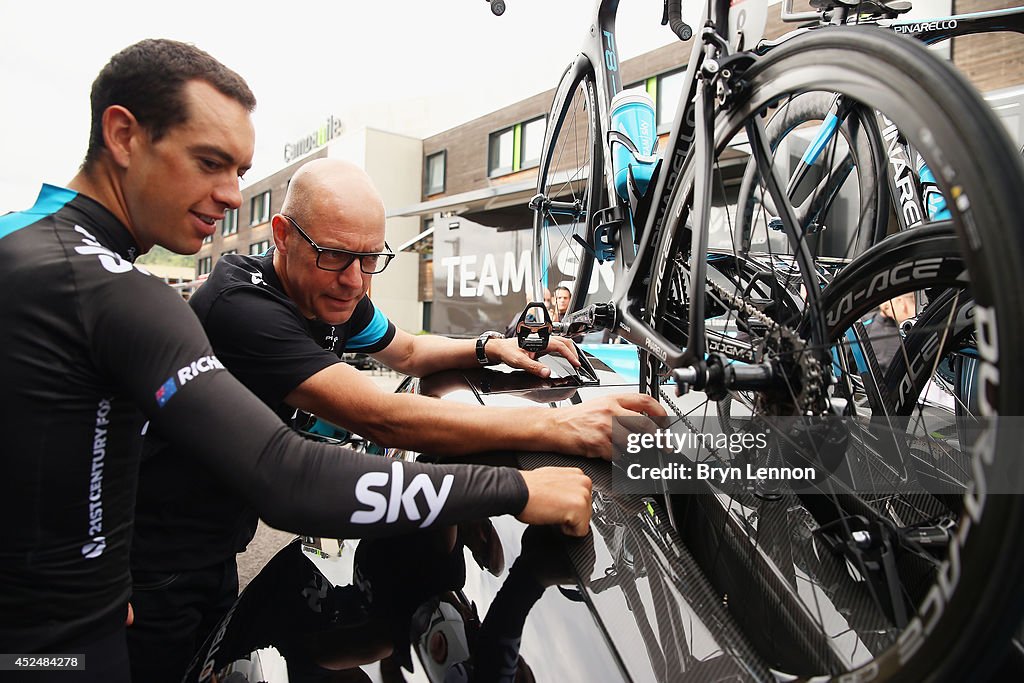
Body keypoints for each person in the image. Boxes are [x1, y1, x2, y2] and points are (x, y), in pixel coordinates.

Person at [0, 39, 596, 682]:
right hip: (81, 630)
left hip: (112, 596)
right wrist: (522, 480)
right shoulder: (134, 295)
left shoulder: (26, 244)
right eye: (210, 163)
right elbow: (288, 474)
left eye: (240, 170)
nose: (232, 195)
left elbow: (411, 349)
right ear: (122, 134)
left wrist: (487, 346)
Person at [128, 158, 665, 682]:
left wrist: (488, 346)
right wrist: (559, 428)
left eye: (370, 259)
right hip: (154, 566)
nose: (355, 282)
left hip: (216, 546)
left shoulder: (328, 289)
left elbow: (407, 352)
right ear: (282, 236)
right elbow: (383, 418)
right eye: (337, 256)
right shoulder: (243, 309)